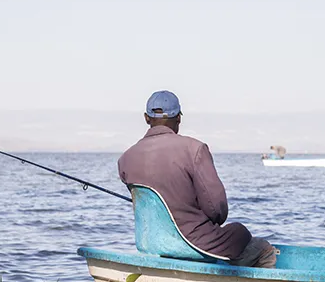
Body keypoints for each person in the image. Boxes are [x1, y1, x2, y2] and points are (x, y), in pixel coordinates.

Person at [118, 90, 276, 268]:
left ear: (147, 118)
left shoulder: (125, 159)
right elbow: (217, 211)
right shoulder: (194, 149)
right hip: (194, 245)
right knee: (246, 237)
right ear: (179, 118)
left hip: (150, 244)